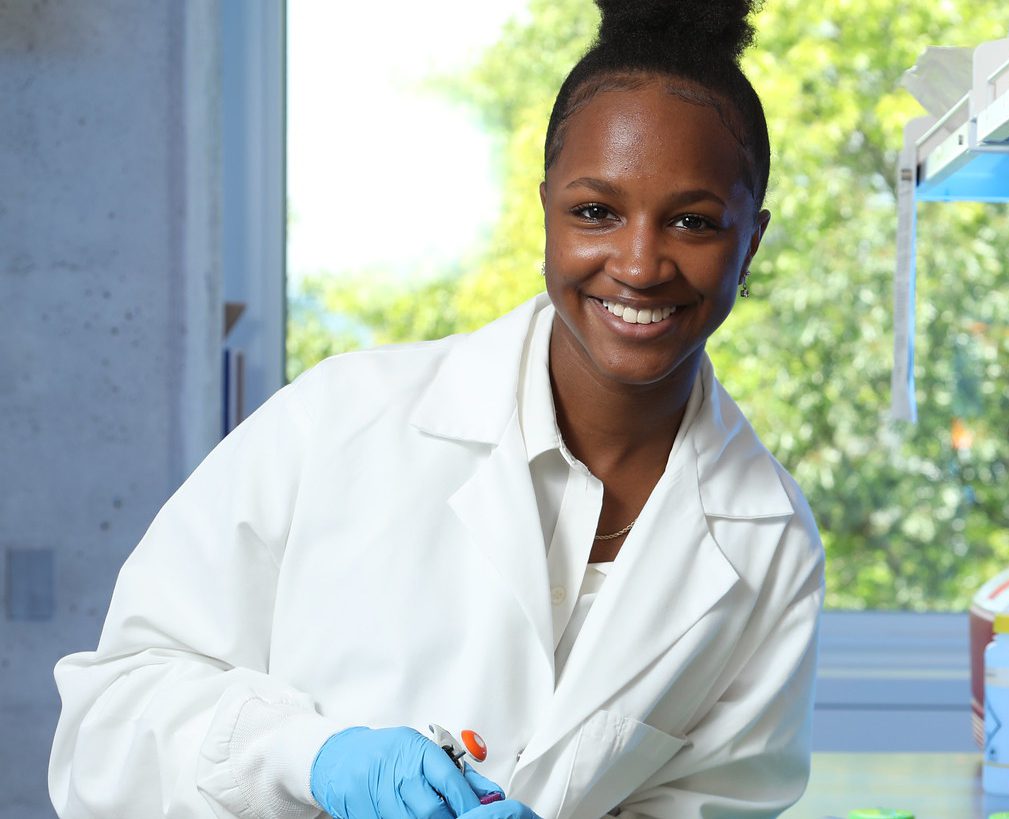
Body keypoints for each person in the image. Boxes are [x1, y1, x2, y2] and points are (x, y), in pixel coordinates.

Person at [48, 1, 822, 816]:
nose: (637, 263)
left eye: (693, 222)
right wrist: (314, 760)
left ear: (753, 242)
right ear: (547, 209)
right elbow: (106, 727)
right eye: (596, 211)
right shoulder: (339, 420)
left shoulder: (769, 543)